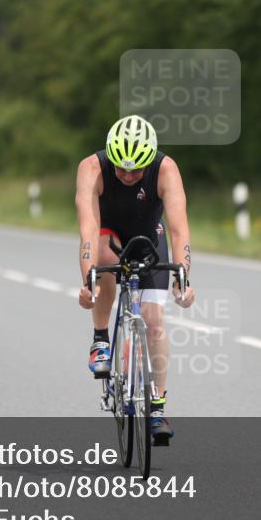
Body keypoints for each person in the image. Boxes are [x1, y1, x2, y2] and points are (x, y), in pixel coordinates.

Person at [75, 116, 195, 446]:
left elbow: (178, 229)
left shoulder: (166, 169)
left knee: (154, 322)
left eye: (136, 170)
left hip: (148, 236)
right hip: (107, 233)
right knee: (105, 257)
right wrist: (89, 280)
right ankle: (101, 339)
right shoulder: (92, 168)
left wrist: (183, 276)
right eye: (121, 169)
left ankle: (156, 407)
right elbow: (87, 228)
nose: (127, 177)